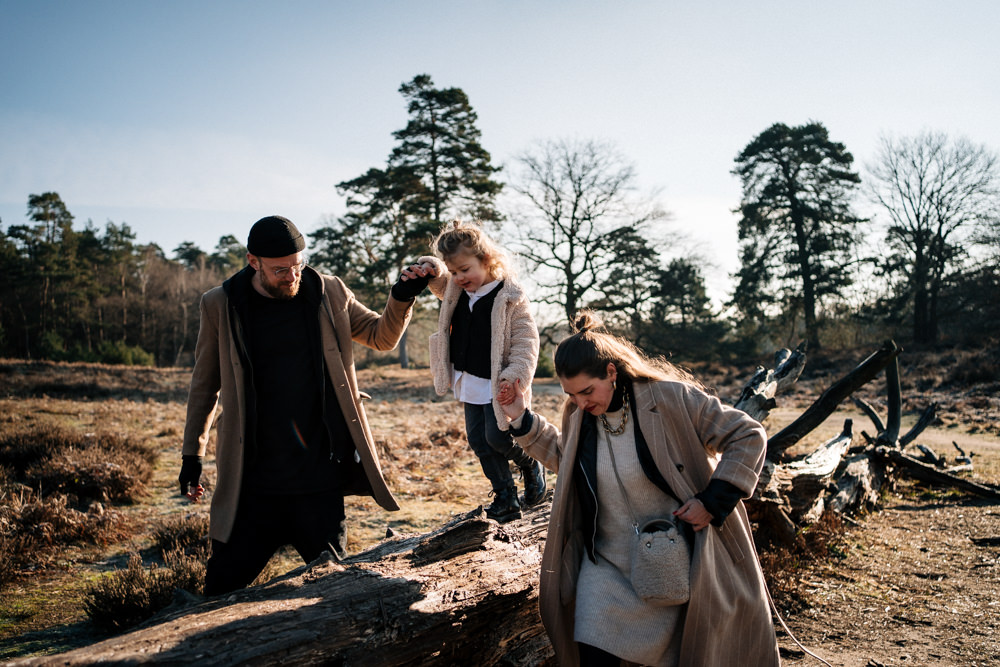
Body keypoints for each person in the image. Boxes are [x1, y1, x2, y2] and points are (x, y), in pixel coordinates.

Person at [498, 312, 780, 666]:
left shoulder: (671, 399)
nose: (582, 402)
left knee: (687, 654)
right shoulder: (580, 414)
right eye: (572, 394)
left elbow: (748, 435)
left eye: (588, 391)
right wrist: (521, 418)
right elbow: (565, 458)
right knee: (593, 654)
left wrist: (713, 500)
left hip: (676, 560)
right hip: (607, 565)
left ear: (612, 372)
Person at [178, 215, 433, 596]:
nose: (292, 276)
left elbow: (382, 337)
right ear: (253, 262)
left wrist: (402, 296)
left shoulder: (329, 292)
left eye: (297, 265)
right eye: (280, 270)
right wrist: (191, 457)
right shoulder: (221, 304)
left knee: (334, 595)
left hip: (319, 482)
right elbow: (204, 385)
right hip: (253, 485)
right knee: (219, 590)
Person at [417, 220, 546, 523]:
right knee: (478, 440)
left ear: (487, 260)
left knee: (499, 438)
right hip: (469, 378)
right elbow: (441, 284)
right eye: (455, 272)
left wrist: (513, 376)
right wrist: (433, 267)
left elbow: (527, 341)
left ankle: (531, 465)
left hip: (498, 383)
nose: (460, 278)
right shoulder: (458, 289)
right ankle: (505, 496)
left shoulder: (509, 296)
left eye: (465, 270)